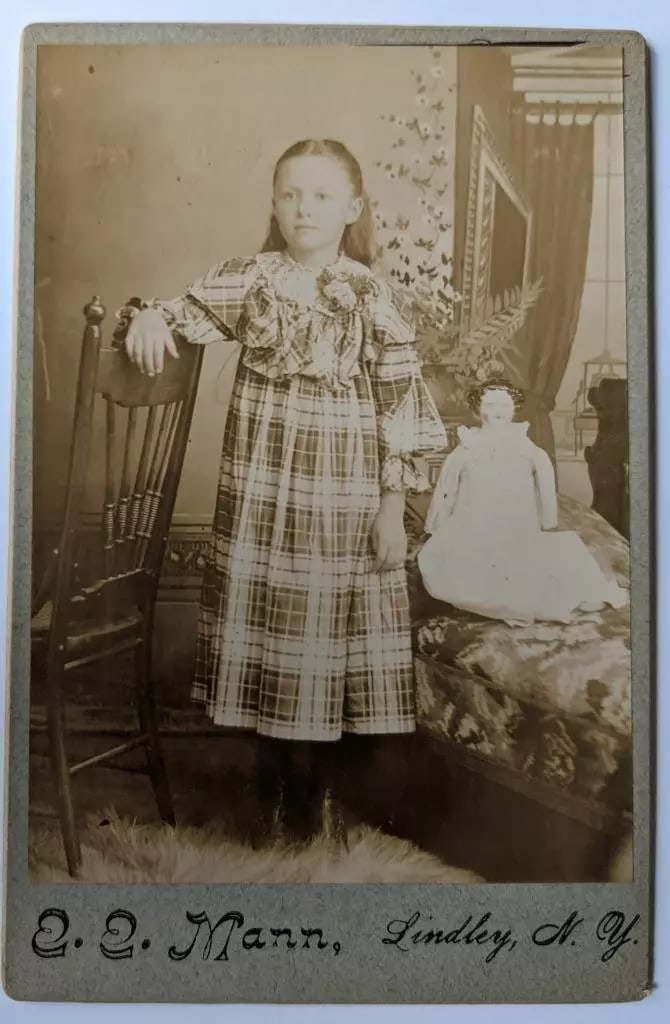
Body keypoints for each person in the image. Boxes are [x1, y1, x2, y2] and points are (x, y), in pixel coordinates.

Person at [120, 138, 447, 848]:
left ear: (352, 208)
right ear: (274, 202)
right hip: (262, 493)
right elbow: (181, 313)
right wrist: (149, 315)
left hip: (340, 497)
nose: (305, 208)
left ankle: (315, 800)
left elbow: (402, 406)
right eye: (292, 194)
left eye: (322, 196)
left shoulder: (368, 293)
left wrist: (393, 507)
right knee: (268, 625)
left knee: (323, 632)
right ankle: (270, 791)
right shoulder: (251, 279)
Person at [418, 379, 627, 626]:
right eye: (490, 404)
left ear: (514, 409)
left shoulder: (527, 449)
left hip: (516, 527)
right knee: (456, 564)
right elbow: (446, 488)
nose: (497, 411)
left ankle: (545, 597)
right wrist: (435, 525)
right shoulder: (466, 449)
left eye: (504, 405)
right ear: (476, 410)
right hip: (472, 527)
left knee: (539, 563)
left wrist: (547, 520)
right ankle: (492, 598)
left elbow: (546, 481)